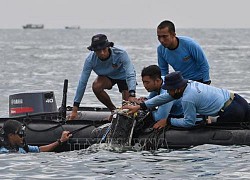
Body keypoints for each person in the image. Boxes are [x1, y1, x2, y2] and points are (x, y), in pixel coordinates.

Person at [123, 71, 249, 128]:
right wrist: (140, 107)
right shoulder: (188, 84)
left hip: (231, 112)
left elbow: (189, 122)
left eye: (170, 89)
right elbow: (165, 97)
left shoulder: (188, 99)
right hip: (239, 100)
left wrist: (168, 121)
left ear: (177, 89)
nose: (168, 91)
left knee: (213, 128)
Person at [69, 34, 137, 120]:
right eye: (98, 51)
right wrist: (75, 109)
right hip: (107, 77)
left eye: (104, 49)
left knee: (127, 110)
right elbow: (82, 82)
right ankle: (113, 111)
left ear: (108, 47)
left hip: (124, 77)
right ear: (93, 51)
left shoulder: (121, 54)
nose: (102, 53)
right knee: (96, 86)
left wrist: (132, 93)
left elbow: (130, 74)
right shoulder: (90, 60)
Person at [157, 20, 211, 84]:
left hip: (200, 80)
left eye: (165, 36)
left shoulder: (189, 44)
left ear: (173, 35)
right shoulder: (160, 50)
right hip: (183, 82)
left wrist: (206, 83)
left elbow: (204, 64)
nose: (161, 40)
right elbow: (163, 71)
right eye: (159, 37)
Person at [138, 65, 182, 129]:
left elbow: (160, 118)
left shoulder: (167, 91)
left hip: (182, 116)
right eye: (143, 82)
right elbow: (151, 99)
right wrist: (144, 100)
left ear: (157, 81)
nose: (145, 85)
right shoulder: (161, 80)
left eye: (147, 82)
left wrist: (147, 110)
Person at [0, 119, 72, 153]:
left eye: (23, 133)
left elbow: (40, 149)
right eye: (20, 134)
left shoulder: (21, 147)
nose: (23, 137)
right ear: (11, 135)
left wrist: (60, 141)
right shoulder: (4, 152)